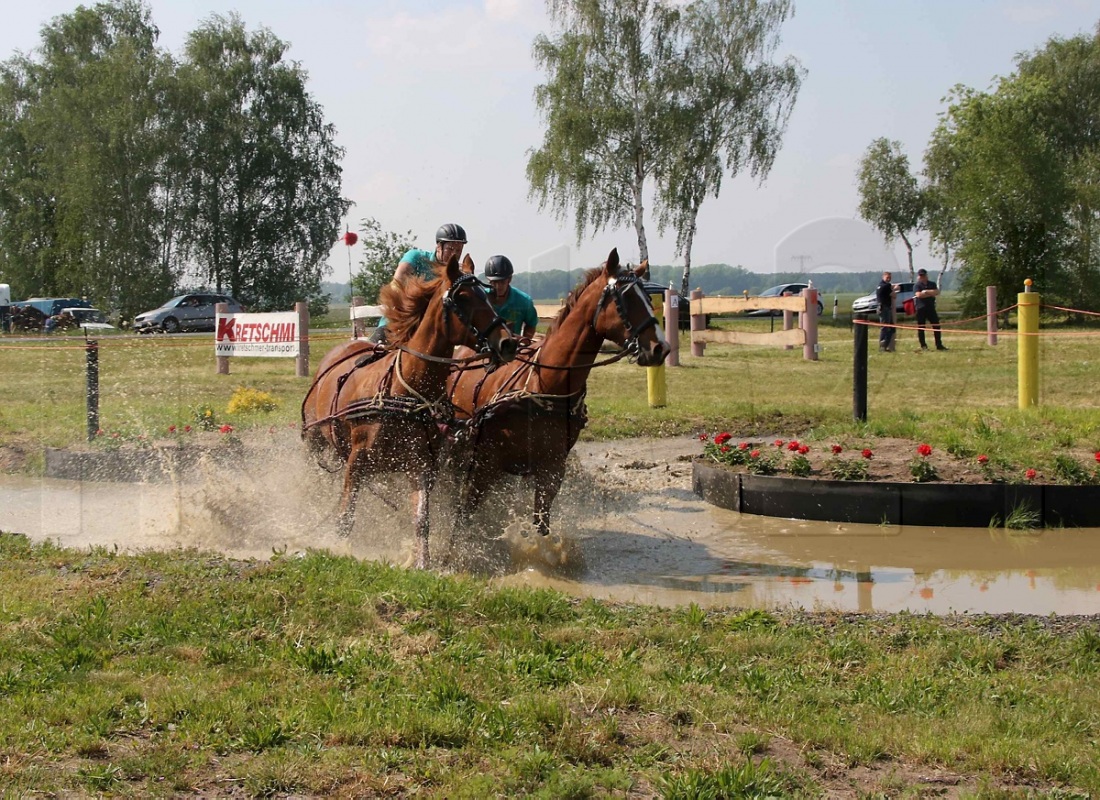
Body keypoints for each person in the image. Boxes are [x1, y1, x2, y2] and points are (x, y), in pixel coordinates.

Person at [369, 223, 467, 344]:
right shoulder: (416, 257)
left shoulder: (455, 275)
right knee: (370, 354)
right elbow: (396, 284)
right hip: (397, 325)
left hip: (430, 333)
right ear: (439, 246)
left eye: (459, 250)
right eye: (450, 249)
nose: (454, 254)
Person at [483, 255, 538, 340]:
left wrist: (524, 342)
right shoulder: (481, 299)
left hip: (511, 348)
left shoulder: (524, 301)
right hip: (484, 348)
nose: (498, 286)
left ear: (510, 279)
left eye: (502, 282)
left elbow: (531, 324)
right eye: (494, 282)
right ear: (488, 281)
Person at [914, 267, 947, 351]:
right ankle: (923, 346)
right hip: (921, 309)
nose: (922, 277)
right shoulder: (917, 285)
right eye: (920, 275)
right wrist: (930, 293)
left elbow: (937, 292)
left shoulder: (932, 284)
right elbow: (919, 295)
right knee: (921, 328)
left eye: (923, 275)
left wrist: (926, 292)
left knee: (936, 326)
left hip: (931, 308)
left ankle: (939, 345)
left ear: (926, 275)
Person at [875, 270, 898, 352]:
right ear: (883, 277)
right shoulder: (887, 286)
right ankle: (883, 346)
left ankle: (885, 345)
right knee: (886, 328)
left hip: (881, 307)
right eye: (887, 277)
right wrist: (895, 289)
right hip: (885, 308)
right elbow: (894, 295)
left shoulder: (880, 285)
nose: (889, 279)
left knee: (890, 328)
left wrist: (892, 287)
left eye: (890, 278)